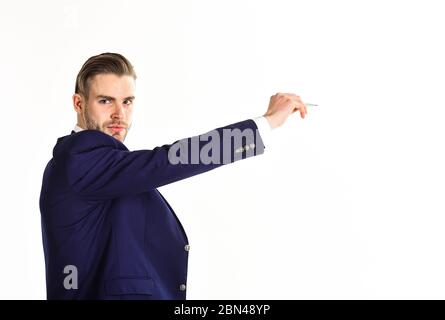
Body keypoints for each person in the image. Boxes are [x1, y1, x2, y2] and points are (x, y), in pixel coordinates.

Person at [39, 52, 308, 300]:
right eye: (105, 100)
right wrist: (265, 124)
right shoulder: (80, 157)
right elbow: (167, 161)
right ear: (78, 103)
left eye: (127, 101)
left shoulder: (99, 166)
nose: (119, 114)